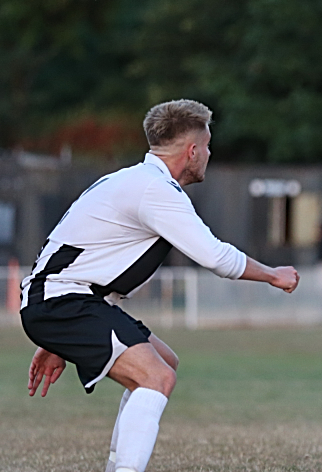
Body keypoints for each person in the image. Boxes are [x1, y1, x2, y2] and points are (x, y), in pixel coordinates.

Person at [20, 99, 300, 472]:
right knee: (157, 376)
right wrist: (273, 275)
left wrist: (54, 335)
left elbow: (74, 250)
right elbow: (215, 256)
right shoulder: (155, 189)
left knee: (164, 362)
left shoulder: (134, 179)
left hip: (67, 301)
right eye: (208, 146)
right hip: (64, 301)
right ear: (193, 150)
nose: (210, 154)